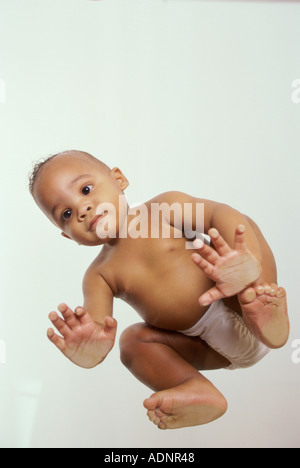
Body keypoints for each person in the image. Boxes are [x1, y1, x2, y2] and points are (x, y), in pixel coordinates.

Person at [28, 150, 289, 430]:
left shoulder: (164, 208)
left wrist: (242, 260)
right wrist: (91, 349)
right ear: (68, 236)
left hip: (241, 299)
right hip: (208, 347)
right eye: (66, 214)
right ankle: (195, 388)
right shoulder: (98, 275)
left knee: (240, 223)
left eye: (86, 189)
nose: (82, 209)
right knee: (131, 342)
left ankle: (265, 306)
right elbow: (97, 327)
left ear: (119, 179)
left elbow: (217, 214)